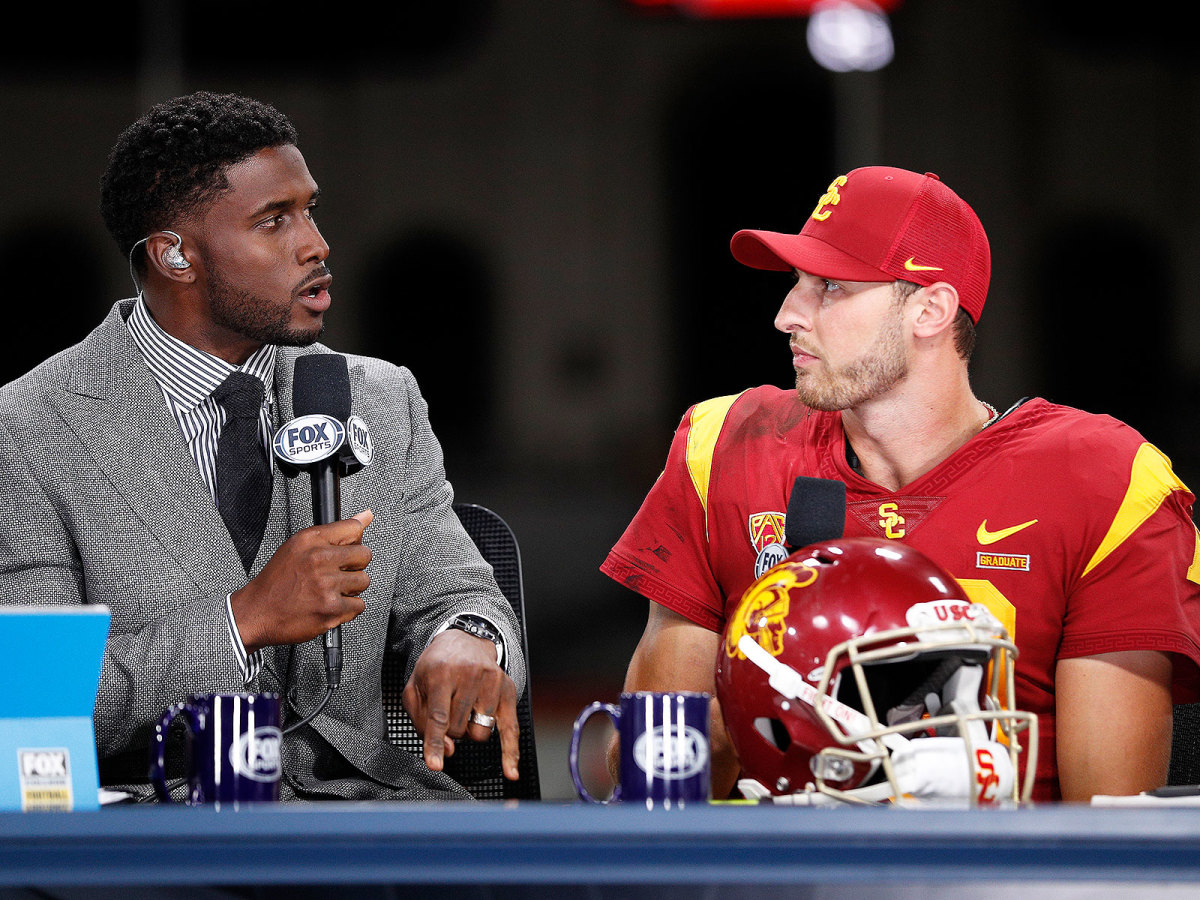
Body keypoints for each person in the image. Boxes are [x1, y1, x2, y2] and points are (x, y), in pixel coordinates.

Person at [601, 165, 1200, 803]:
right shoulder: (725, 446)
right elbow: (658, 782)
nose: (786, 314)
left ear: (930, 310)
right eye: (798, 283)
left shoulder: (1102, 479)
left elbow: (1106, 831)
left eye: (829, 286)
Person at [0, 92, 524, 802]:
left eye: (309, 210)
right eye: (275, 220)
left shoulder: (380, 397)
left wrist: (469, 638)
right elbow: (37, 702)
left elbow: (459, 593)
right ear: (175, 254)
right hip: (158, 822)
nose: (315, 244)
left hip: (364, 814)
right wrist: (243, 619)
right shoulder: (28, 426)